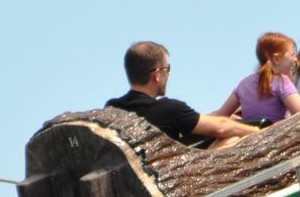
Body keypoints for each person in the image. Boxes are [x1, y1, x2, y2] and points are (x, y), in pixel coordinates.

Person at [106, 41, 259, 147]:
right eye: (167, 68)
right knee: (232, 139)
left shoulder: (112, 109)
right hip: (165, 179)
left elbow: (195, 120)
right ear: (157, 75)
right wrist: (259, 132)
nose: (168, 74)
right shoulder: (169, 109)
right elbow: (221, 128)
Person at [214, 32, 300, 125]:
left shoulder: (244, 84)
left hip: (251, 132)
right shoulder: (281, 82)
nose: (295, 59)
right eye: (292, 55)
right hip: (277, 132)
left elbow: (220, 116)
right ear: (276, 59)